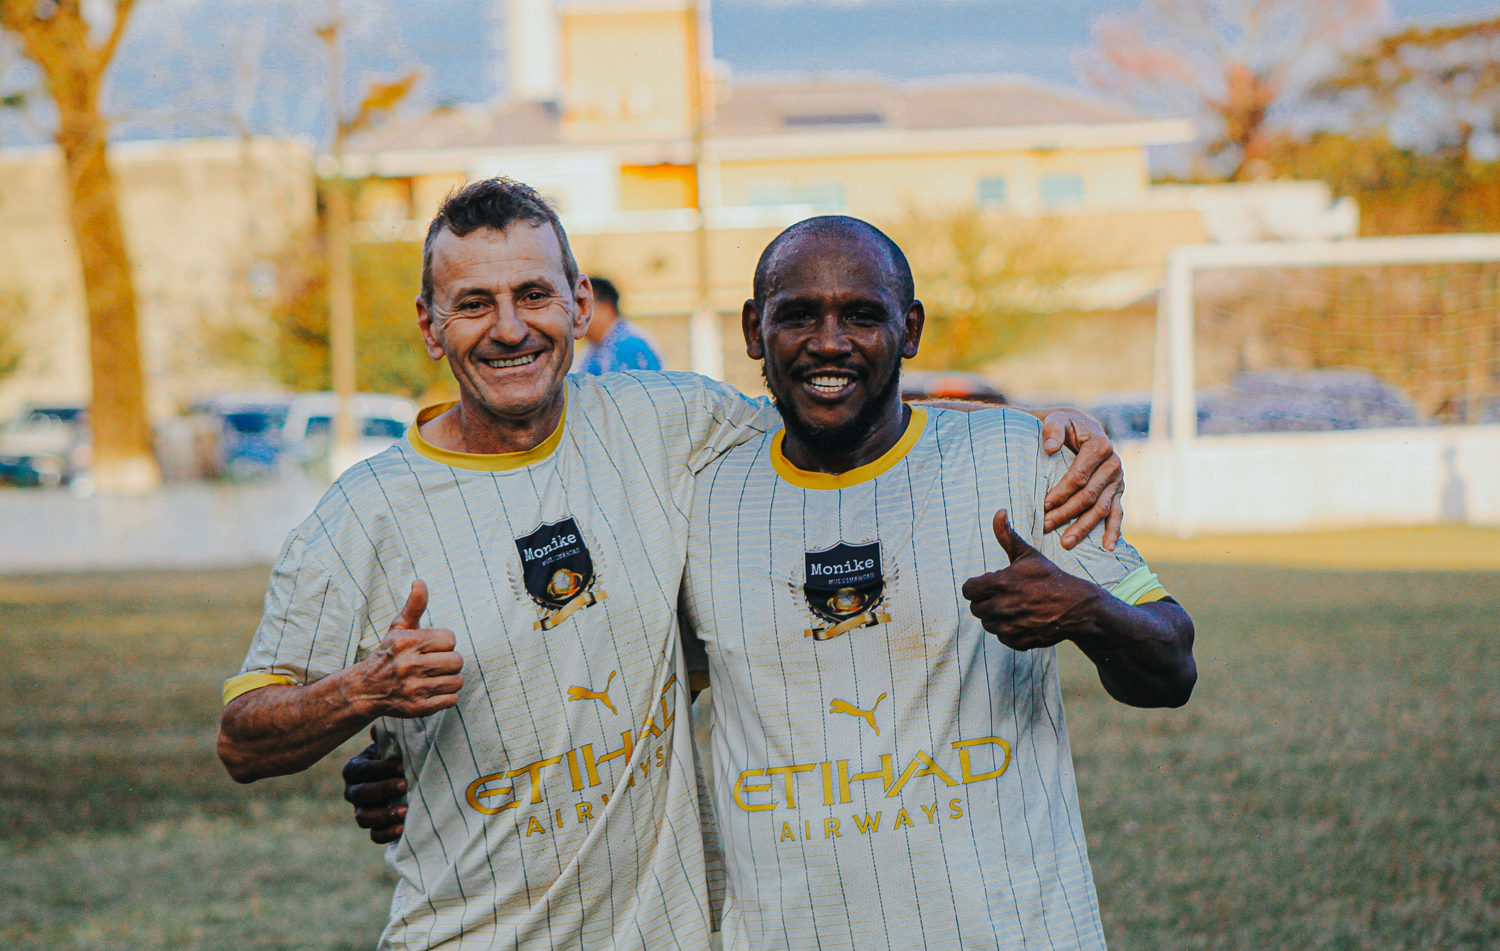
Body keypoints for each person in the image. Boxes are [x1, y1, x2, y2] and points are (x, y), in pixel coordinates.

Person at [217, 181, 1125, 951]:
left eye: (532, 295)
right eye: (473, 304)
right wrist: (362, 695)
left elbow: (830, 397)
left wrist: (1033, 434)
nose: (508, 330)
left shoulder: (664, 424)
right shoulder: (361, 515)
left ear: (579, 303)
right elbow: (243, 740)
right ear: (428, 324)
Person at [680, 216, 1196, 949]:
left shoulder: (1021, 462)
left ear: (910, 328)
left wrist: (1088, 611)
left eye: (862, 314)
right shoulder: (700, 501)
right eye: (798, 315)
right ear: (753, 329)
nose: (830, 341)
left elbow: (1173, 665)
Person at [574, 276, 665, 373]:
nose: (576, 316)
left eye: (583, 307)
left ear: (607, 308)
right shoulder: (591, 351)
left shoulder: (631, 346)